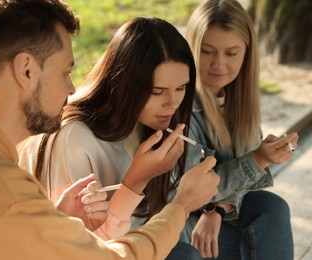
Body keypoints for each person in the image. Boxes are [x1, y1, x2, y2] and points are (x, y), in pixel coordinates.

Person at [0, 0, 220, 259]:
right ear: (26, 70)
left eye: (181, 88)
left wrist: (54, 217)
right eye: (65, 72)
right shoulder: (4, 190)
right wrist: (181, 206)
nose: (72, 88)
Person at [18, 16, 205, 259]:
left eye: (181, 88)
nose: (172, 103)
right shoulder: (73, 140)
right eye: (157, 92)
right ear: (127, 85)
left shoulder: (150, 125)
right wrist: (136, 181)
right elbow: (80, 251)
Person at [177, 0, 299, 259]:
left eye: (231, 53)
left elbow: (247, 182)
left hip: (218, 218)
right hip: (182, 228)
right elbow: (190, 187)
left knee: (271, 208)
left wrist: (219, 210)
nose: (218, 64)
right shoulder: (181, 104)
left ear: (246, 53)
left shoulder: (239, 100)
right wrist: (259, 159)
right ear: (192, 49)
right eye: (207, 51)